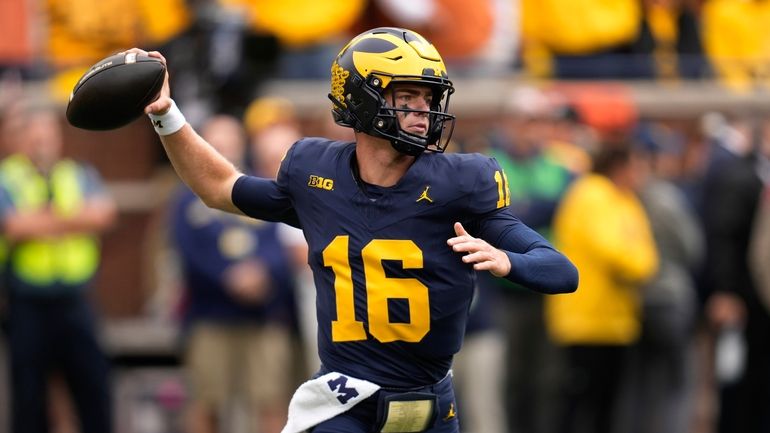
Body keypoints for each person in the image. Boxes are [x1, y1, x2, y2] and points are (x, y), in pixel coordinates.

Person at [126, 26, 578, 433]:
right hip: (347, 402)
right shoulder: (314, 174)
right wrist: (167, 114)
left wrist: (507, 260)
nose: (424, 112)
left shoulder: (460, 183)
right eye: (408, 98)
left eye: (429, 98)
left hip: (431, 406)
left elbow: (560, 271)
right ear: (364, 99)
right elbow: (219, 186)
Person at [167, 114, 296, 433]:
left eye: (230, 143)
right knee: (206, 403)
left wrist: (263, 273)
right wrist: (228, 277)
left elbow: (281, 246)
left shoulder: (262, 189)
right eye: (216, 143)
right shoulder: (187, 198)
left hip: (262, 317)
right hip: (209, 317)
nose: (223, 150)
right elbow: (188, 252)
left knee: (271, 402)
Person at [0, 101, 117, 433]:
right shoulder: (7, 178)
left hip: (76, 300)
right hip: (26, 302)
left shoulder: (78, 173)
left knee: (93, 389)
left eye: (47, 136)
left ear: (58, 138)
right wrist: (74, 220)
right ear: (21, 140)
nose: (41, 143)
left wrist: (44, 222)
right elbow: (14, 227)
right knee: (29, 398)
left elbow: (104, 214)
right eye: (34, 137)